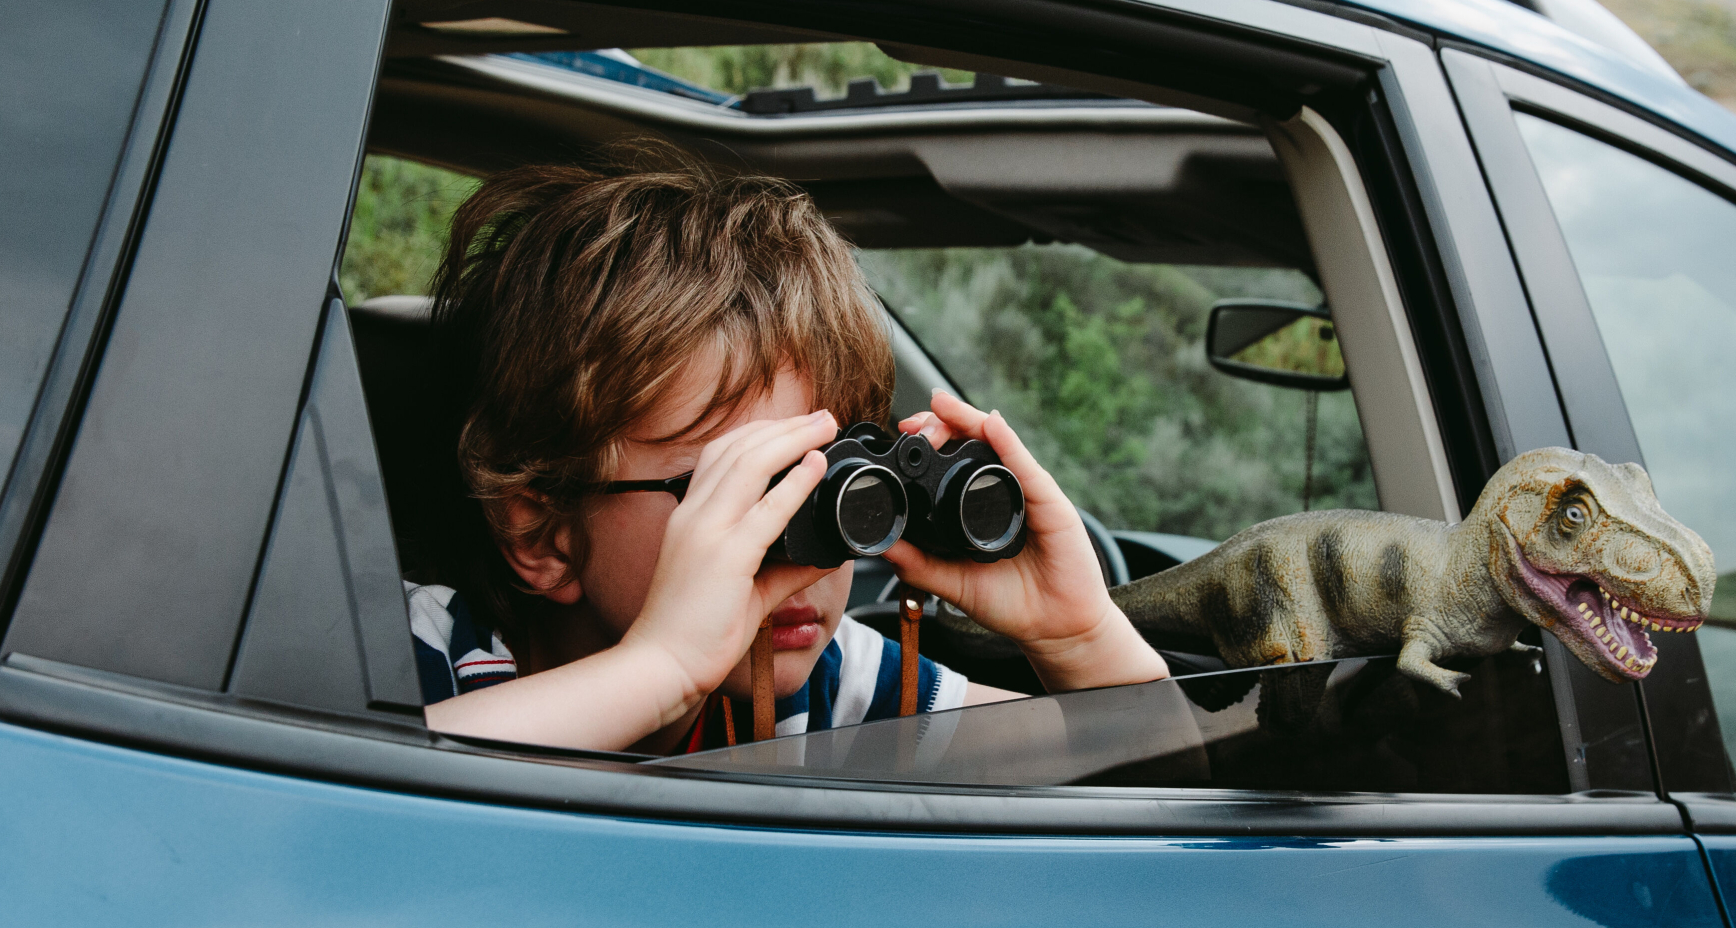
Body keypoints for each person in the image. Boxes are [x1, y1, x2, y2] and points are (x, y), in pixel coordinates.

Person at [407, 151, 1167, 754]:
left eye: (832, 484)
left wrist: (1081, 638)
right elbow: (344, 808)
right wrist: (662, 669)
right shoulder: (421, 654)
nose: (807, 554)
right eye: (743, 490)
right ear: (542, 533)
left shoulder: (828, 684)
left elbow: (1151, 789)